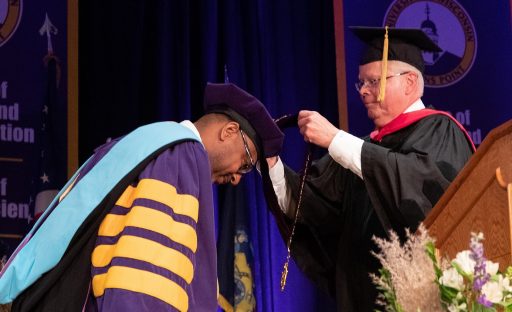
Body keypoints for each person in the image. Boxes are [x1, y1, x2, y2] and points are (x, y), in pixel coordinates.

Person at [0, 82, 284, 311]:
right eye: (246, 163)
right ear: (230, 131)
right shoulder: (181, 154)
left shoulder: (143, 142)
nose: (236, 177)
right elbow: (144, 278)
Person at [265, 27, 475, 311]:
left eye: (374, 81)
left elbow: (422, 191)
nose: (364, 91)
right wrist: (270, 162)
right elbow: (310, 207)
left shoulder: (440, 130)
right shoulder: (361, 148)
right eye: (361, 83)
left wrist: (335, 139)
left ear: (410, 82)